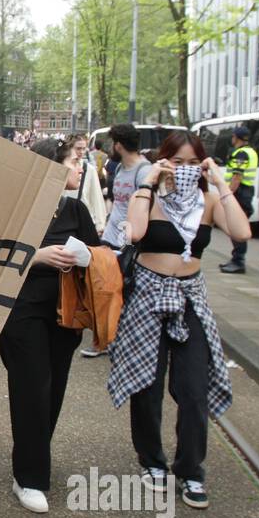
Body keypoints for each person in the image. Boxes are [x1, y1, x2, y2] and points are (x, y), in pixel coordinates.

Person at [107, 132, 252, 509]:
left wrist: (220, 182)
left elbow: (241, 232)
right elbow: (135, 232)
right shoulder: (150, 196)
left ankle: (190, 468)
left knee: (193, 388)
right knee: (147, 384)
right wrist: (150, 181)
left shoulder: (207, 200)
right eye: (178, 161)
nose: (185, 170)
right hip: (147, 298)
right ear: (164, 160)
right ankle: (151, 460)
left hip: (190, 298)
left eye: (193, 163)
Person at [0, 139, 100, 513]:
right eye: (74, 161)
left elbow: (99, 253)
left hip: (66, 313)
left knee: (53, 388)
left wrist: (85, 256)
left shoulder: (77, 209)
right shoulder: (17, 207)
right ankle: (29, 477)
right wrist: (37, 256)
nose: (80, 167)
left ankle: (33, 452)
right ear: (50, 167)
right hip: (22, 310)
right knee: (32, 388)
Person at [82, 124, 149, 359]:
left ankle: (116, 341)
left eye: (113, 143)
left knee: (121, 293)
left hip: (128, 242)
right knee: (104, 289)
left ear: (119, 145)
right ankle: (105, 340)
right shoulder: (120, 167)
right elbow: (115, 200)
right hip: (111, 238)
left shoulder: (144, 172)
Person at [218, 125, 258, 274]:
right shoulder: (251, 151)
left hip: (240, 193)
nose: (232, 139)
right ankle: (236, 259)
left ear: (237, 137)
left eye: (233, 136)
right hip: (246, 192)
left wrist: (227, 195)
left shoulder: (241, 154)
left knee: (237, 228)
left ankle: (238, 261)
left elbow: (236, 177)